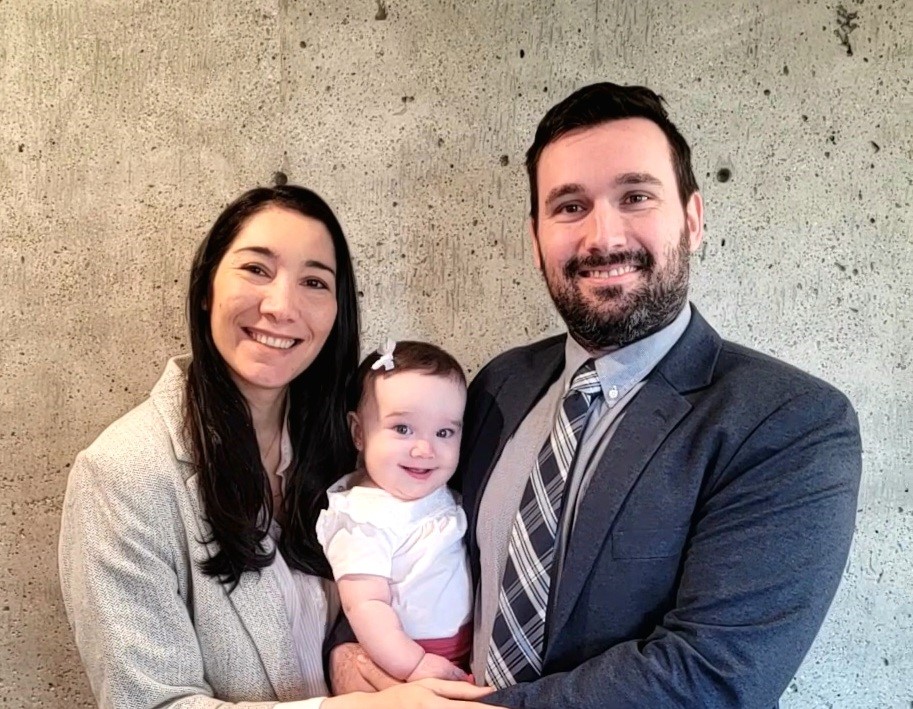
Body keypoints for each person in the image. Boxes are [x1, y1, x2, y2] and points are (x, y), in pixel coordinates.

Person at [330, 83, 863, 707]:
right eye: (569, 206)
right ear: (535, 239)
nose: (603, 237)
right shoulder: (501, 385)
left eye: (635, 196)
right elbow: (408, 523)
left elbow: (711, 677)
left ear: (692, 219)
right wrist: (348, 648)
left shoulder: (789, 422)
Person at [58, 184, 494, 708]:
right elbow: (148, 702)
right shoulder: (122, 475)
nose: (282, 306)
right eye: (256, 269)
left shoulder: (352, 442)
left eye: (314, 281)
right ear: (206, 287)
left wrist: (344, 655)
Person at [316, 340, 474, 682]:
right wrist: (412, 664)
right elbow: (365, 606)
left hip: (464, 652)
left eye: (444, 432)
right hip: (404, 659)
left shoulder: (440, 493)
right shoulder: (363, 518)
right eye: (403, 429)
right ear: (359, 433)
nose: (425, 449)